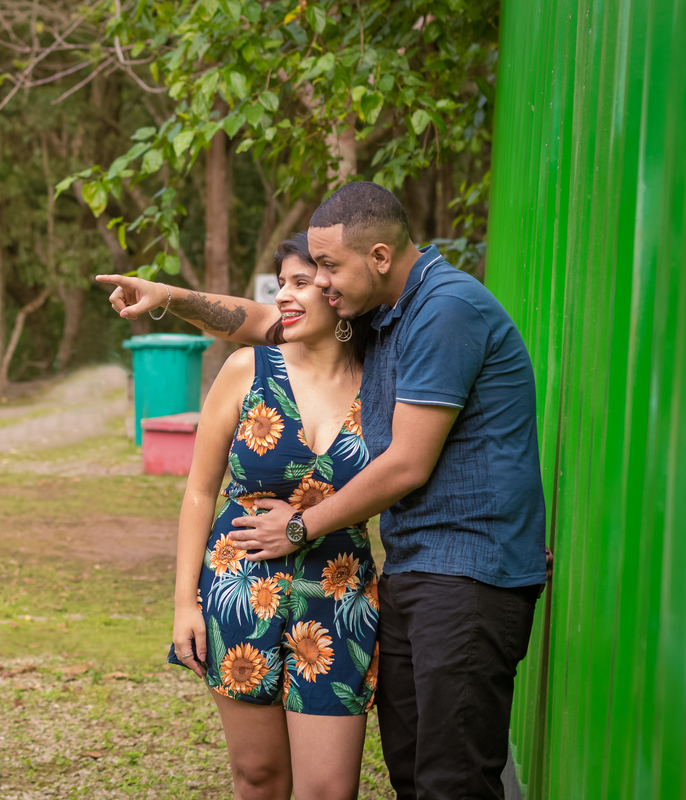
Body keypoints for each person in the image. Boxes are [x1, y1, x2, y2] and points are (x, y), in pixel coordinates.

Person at [98, 181, 548, 800]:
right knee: (411, 770)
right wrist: (167, 295)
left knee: (437, 780)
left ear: (377, 259)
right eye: (302, 276)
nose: (314, 285)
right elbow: (257, 319)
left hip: (428, 577)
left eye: (324, 271)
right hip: (367, 576)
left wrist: (298, 526)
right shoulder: (381, 322)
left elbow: (408, 464)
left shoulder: (429, 319)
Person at [167, 232, 378, 800]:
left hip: (338, 596)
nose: (283, 294)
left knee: (329, 789)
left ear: (337, 294)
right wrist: (185, 603)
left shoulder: (383, 381)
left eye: (300, 283)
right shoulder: (247, 369)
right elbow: (199, 491)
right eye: (281, 282)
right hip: (240, 587)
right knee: (258, 777)